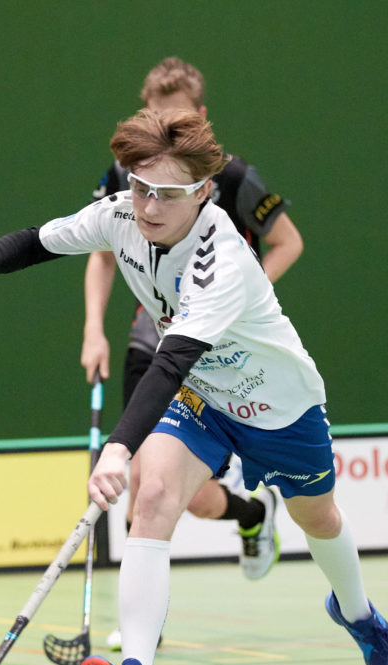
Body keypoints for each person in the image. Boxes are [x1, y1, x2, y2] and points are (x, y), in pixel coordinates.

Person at [0, 108, 388, 665]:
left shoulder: (222, 259)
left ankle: (360, 616)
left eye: (166, 195)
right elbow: (45, 239)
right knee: (152, 496)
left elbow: (171, 359)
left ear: (202, 192)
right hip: (205, 399)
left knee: (319, 520)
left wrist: (118, 445)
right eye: (139, 186)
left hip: (278, 407)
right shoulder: (122, 212)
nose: (147, 206)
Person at [84, 58, 304, 599]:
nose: (163, 138)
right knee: (142, 476)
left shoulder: (231, 177)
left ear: (201, 117)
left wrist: (235, 300)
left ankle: (252, 511)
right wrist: (94, 328)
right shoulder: (126, 175)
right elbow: (102, 255)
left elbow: (288, 242)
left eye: (176, 119)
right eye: (154, 120)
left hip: (216, 356)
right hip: (150, 342)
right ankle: (141, 633)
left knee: (198, 497)